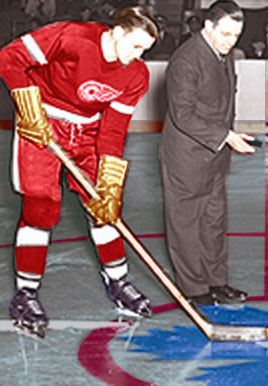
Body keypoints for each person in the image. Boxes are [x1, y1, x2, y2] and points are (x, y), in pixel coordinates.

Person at [0, 6, 159, 338]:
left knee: (103, 209)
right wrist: (28, 105)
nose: (137, 55)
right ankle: (26, 294)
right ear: (117, 32)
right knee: (40, 208)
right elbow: (10, 57)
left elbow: (114, 131)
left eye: (144, 50)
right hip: (41, 123)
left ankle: (118, 282)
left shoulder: (136, 75)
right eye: (134, 46)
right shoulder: (72, 36)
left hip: (88, 133)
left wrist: (110, 185)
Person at [160, 0, 257, 306]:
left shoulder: (222, 54)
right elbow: (182, 115)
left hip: (215, 155)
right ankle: (193, 288)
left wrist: (229, 137)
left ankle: (217, 282)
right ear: (207, 27)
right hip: (187, 158)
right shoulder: (186, 60)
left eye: (236, 36)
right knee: (186, 223)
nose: (231, 42)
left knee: (214, 221)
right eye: (225, 34)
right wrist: (225, 136)